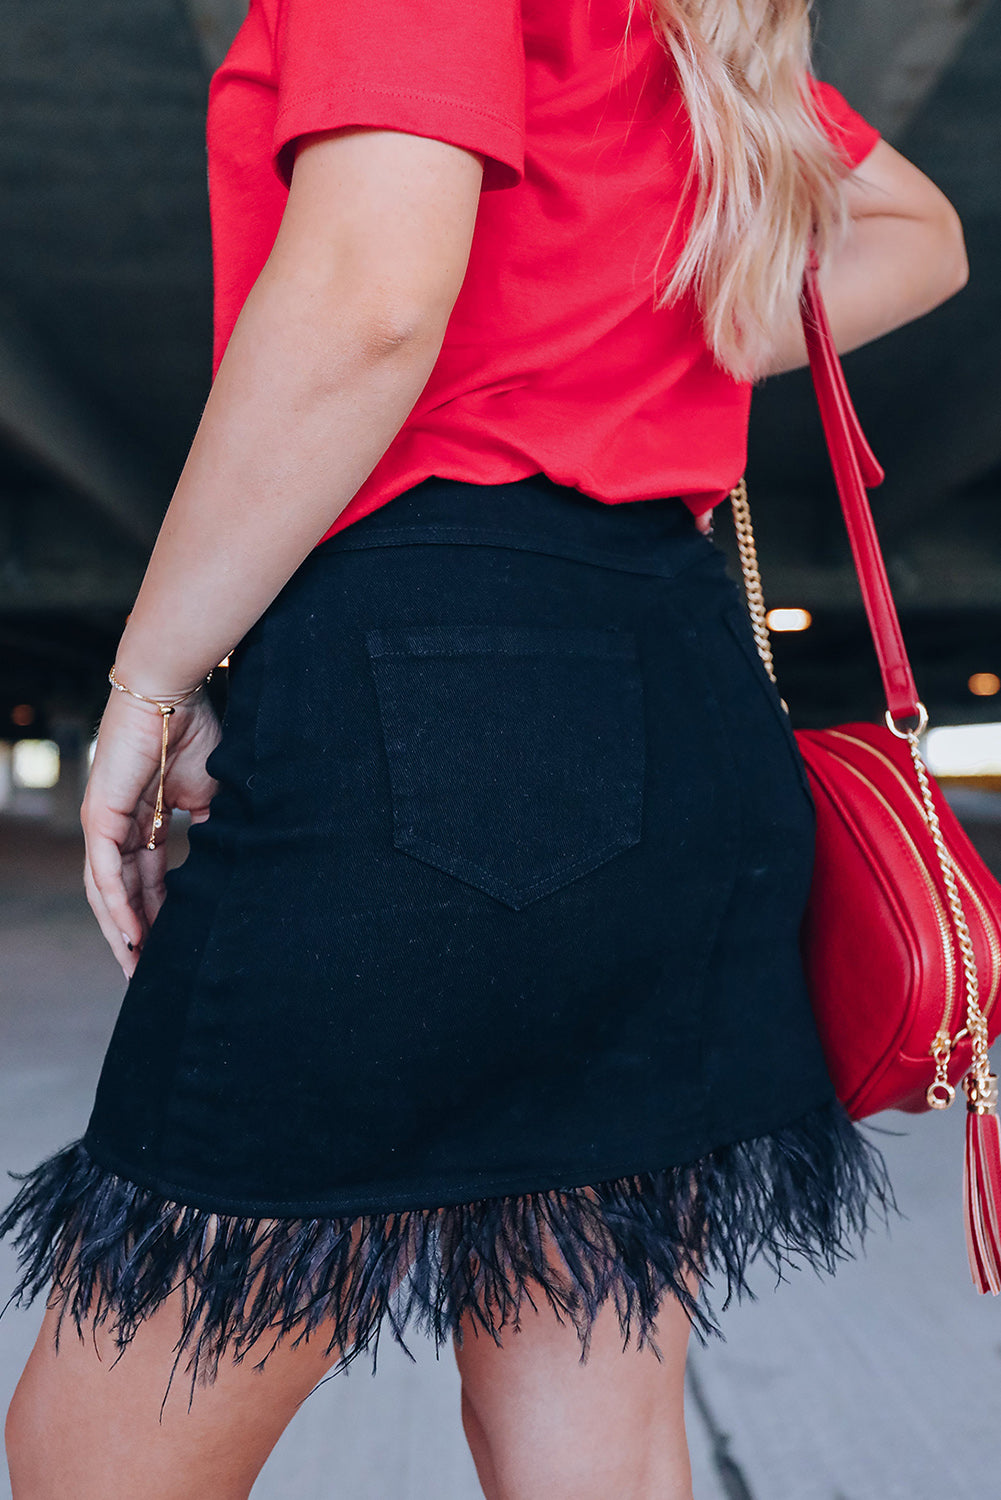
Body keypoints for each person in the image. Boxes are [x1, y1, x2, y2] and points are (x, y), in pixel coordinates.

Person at [2, 0, 968, 1495]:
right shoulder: (677, 31)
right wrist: (674, 311)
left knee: (103, 1453)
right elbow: (914, 230)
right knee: (591, 1432)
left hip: (439, 704)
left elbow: (375, 296)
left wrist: (148, 678)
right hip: (678, 694)